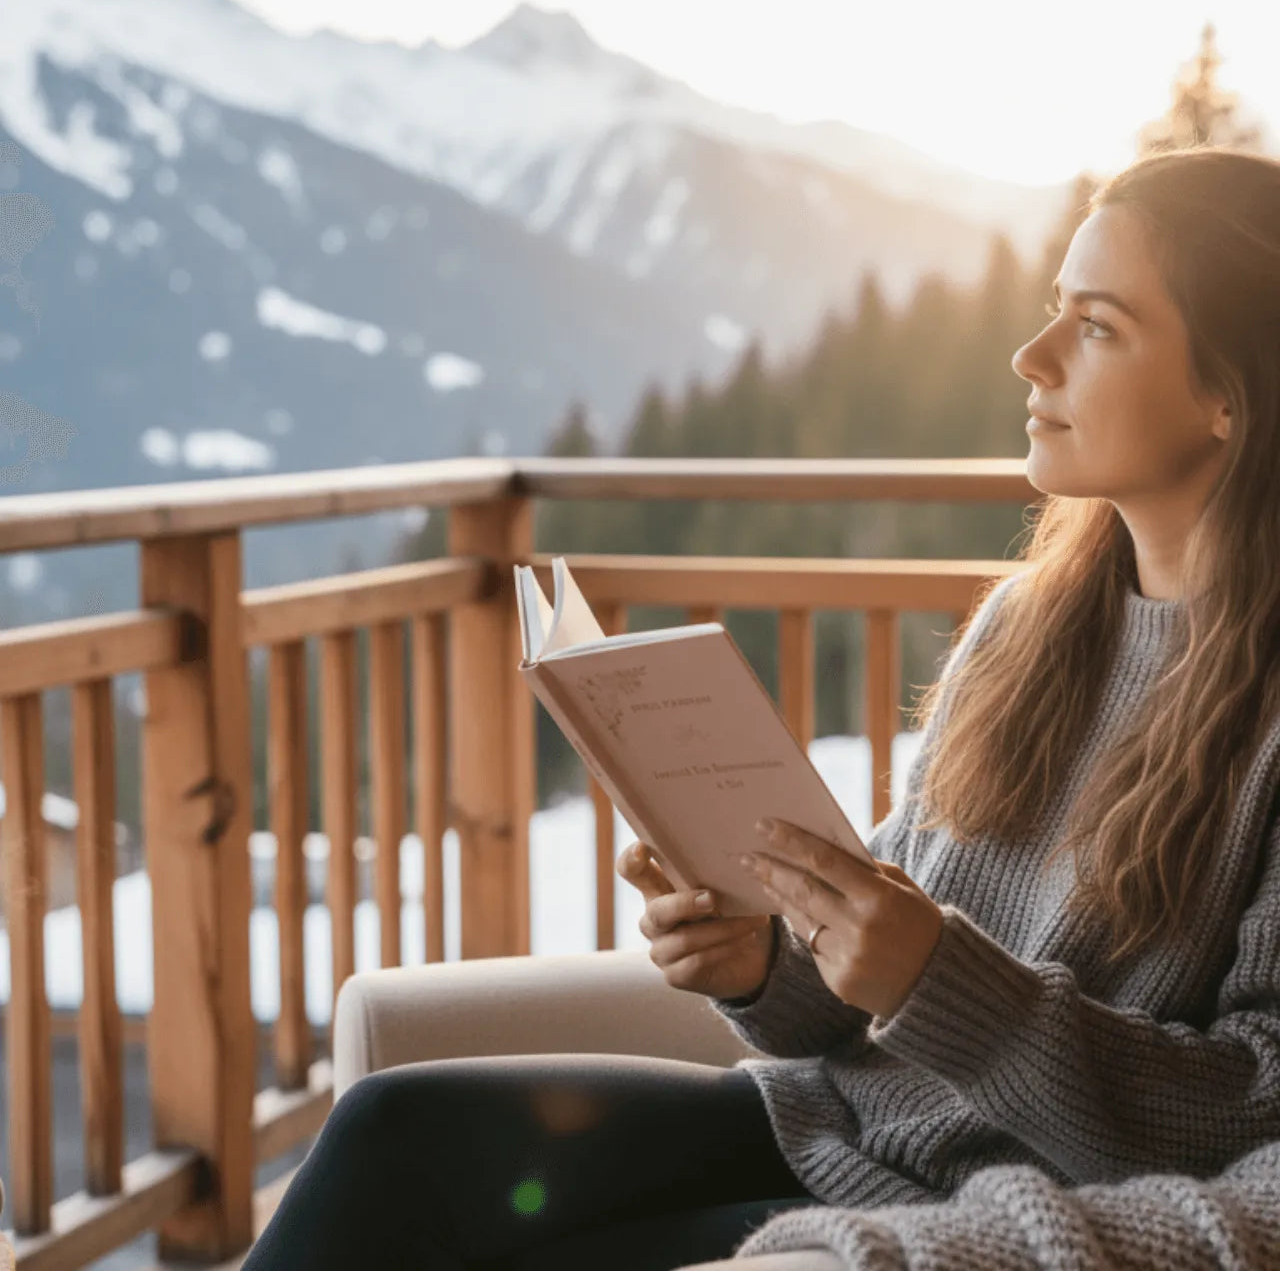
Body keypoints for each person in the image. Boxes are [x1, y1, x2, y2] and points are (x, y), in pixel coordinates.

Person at [241, 145, 1280, 1271]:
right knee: (399, 1127)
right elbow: (865, 990)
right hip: (831, 1121)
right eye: (1050, 310)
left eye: (1096, 325)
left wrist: (942, 981)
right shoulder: (1024, 629)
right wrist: (761, 961)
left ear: (1227, 395)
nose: (1029, 357)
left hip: (997, 1198)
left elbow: (1252, 1106)